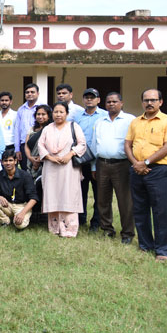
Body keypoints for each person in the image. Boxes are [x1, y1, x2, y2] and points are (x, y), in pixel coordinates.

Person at [125, 89, 167, 261]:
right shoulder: (135, 122)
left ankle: (162, 250)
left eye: (153, 100)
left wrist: (145, 163)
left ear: (160, 102)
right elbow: (127, 144)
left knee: (160, 210)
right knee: (139, 209)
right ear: (142, 102)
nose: (149, 103)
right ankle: (145, 245)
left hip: (157, 171)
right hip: (136, 170)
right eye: (146, 100)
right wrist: (135, 163)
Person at [37, 102, 87, 238]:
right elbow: (40, 145)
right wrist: (50, 158)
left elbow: (82, 143)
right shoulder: (47, 129)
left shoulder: (73, 126)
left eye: (61, 112)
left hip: (68, 167)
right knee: (52, 194)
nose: (58, 114)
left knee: (68, 194)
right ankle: (54, 228)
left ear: (67, 113)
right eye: (56, 112)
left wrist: (69, 155)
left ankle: (69, 229)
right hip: (51, 167)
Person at [92, 92, 136, 243]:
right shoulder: (100, 121)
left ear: (121, 103)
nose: (111, 104)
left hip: (122, 165)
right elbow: (94, 144)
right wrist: (94, 166)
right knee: (102, 199)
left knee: (125, 200)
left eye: (114, 101)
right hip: (102, 164)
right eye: (108, 102)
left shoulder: (130, 120)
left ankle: (128, 233)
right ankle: (107, 229)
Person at [73, 88, 107, 232]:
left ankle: (96, 222)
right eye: (86, 97)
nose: (89, 100)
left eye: (92, 97)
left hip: (98, 160)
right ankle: (81, 219)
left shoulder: (104, 116)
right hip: (81, 159)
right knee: (80, 191)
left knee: (99, 193)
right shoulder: (78, 116)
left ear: (98, 100)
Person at [0, 149, 39, 229]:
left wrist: (22, 213)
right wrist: (0, 198)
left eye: (10, 160)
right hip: (7, 205)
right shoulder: (0, 175)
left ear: (15, 161)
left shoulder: (25, 176)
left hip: (22, 206)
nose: (8, 163)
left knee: (19, 225)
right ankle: (5, 221)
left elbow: (34, 198)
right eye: (5, 161)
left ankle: (20, 217)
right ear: (2, 162)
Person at [14, 83, 45, 170]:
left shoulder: (43, 107)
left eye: (32, 92)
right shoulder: (21, 109)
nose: (29, 94)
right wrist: (17, 149)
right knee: (26, 171)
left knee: (40, 171)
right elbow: (17, 129)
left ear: (38, 93)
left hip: (39, 144)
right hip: (24, 145)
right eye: (27, 92)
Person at [24, 104, 53, 181]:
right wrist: (30, 158)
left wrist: (41, 158)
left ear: (49, 116)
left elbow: (51, 146)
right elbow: (26, 145)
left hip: (45, 161)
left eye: (43, 114)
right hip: (31, 161)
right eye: (38, 114)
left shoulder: (51, 129)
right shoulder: (32, 129)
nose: (40, 116)